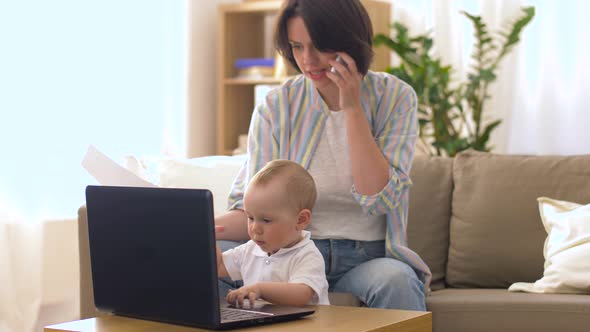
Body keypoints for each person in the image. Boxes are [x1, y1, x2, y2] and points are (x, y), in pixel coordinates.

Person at [216, 0, 431, 310]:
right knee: (202, 262)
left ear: (350, 41)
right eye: (297, 47)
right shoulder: (277, 107)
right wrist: (198, 226)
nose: (308, 61)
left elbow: (379, 199)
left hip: (366, 258)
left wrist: (352, 107)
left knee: (397, 281)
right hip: (289, 254)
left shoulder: (395, 98)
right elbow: (256, 210)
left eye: (319, 47)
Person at [216, 159, 329, 307]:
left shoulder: (307, 255)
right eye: (250, 218)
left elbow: (301, 295)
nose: (255, 228)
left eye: (266, 220)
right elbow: (218, 267)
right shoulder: (250, 250)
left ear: (300, 220)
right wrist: (207, 238)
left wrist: (260, 289)